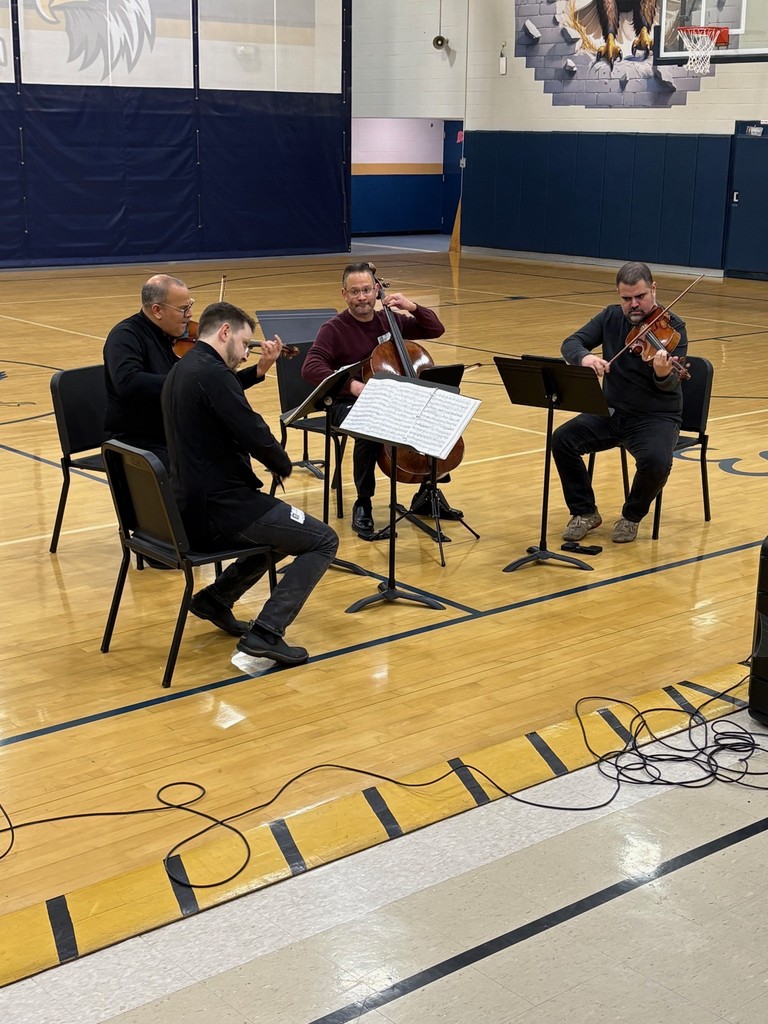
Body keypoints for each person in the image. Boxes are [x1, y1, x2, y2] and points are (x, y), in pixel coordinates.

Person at [161, 301, 339, 666]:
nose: (245, 353)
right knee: (322, 539)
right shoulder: (212, 374)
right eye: (244, 344)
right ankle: (267, 633)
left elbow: (226, 413)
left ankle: (215, 599)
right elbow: (252, 429)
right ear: (224, 332)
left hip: (191, 504)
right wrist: (282, 462)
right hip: (221, 510)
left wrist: (259, 370)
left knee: (282, 531)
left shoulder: (185, 368)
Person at [302, 262, 460, 537]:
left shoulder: (390, 320)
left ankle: (427, 493)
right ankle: (363, 503)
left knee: (435, 412)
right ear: (344, 294)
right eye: (354, 292)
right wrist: (353, 386)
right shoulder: (334, 329)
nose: (361, 297)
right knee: (369, 427)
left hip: (392, 397)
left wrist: (412, 307)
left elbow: (436, 329)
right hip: (345, 403)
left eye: (366, 290)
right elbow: (311, 367)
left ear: (376, 289)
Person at [551, 261, 688, 545]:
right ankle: (585, 511)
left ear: (653, 288)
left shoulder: (673, 328)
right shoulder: (610, 318)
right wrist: (584, 358)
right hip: (611, 412)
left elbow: (672, 383)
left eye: (640, 297)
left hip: (656, 416)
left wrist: (662, 373)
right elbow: (572, 342)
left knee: (657, 461)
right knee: (562, 440)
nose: (634, 305)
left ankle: (632, 516)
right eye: (626, 299)